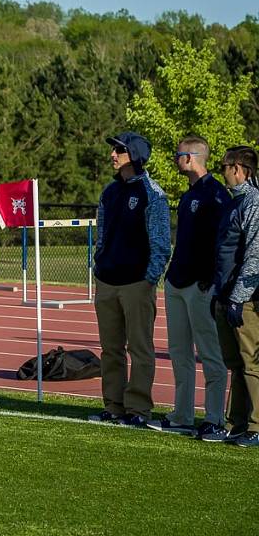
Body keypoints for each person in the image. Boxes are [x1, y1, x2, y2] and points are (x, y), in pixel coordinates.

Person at [147, 136, 228, 438]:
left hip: (200, 285)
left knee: (209, 353)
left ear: (190, 157)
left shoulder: (216, 195)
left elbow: (224, 243)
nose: (174, 159)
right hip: (177, 281)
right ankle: (182, 414)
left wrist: (212, 279)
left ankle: (215, 418)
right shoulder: (188, 195)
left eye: (177, 154)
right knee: (179, 351)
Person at [90, 132, 171, 427]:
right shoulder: (109, 193)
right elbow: (103, 235)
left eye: (119, 150)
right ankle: (113, 406)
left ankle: (138, 409)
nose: (113, 154)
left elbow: (161, 244)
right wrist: (98, 266)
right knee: (110, 349)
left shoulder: (153, 193)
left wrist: (149, 279)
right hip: (107, 281)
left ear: (134, 155)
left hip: (138, 283)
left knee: (140, 349)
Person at [211, 145, 259, 448]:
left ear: (240, 169)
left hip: (244, 299)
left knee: (251, 363)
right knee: (236, 364)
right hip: (225, 294)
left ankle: (256, 424)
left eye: (224, 167)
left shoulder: (253, 202)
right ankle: (237, 423)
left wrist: (238, 297)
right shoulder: (234, 202)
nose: (223, 172)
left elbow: (255, 253)